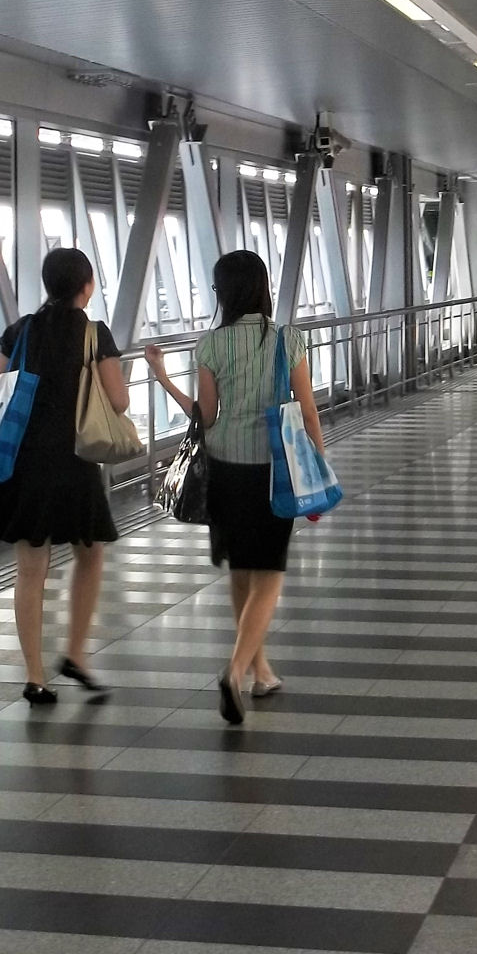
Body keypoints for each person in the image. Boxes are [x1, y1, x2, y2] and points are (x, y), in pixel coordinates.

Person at [144, 250, 326, 725]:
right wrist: (319, 462)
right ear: (263, 288)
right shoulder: (288, 338)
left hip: (225, 468)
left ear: (222, 293)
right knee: (269, 574)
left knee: (242, 568)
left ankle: (260, 672)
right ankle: (235, 671)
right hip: (273, 468)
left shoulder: (210, 344)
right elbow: (307, 410)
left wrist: (162, 378)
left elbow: (205, 416)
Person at [0, 247, 127, 704]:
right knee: (90, 552)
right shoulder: (94, 334)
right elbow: (118, 401)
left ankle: (35, 676)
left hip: (22, 461)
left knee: (30, 569)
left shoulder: (21, 330)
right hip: (73, 461)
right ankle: (75, 653)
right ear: (87, 285)